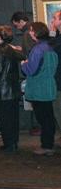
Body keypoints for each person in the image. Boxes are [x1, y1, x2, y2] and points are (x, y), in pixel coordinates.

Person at [22, 21, 58, 155]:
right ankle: (48, 144)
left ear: (36, 32)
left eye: (31, 30)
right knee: (48, 117)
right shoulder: (50, 47)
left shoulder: (37, 49)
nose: (30, 32)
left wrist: (23, 64)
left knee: (43, 119)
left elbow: (31, 70)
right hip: (49, 86)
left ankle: (46, 146)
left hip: (39, 88)